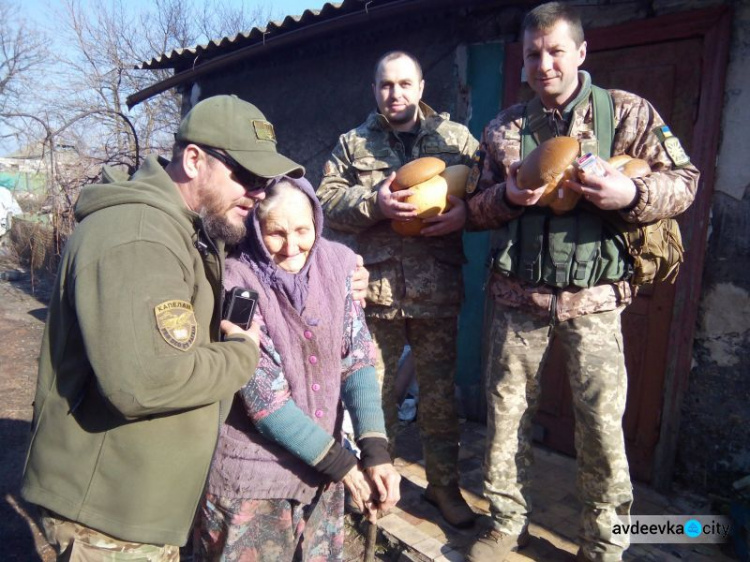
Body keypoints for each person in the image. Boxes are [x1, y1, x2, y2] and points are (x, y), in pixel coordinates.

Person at [20, 95, 305, 560]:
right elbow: (146, 383)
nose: (258, 192)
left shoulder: (188, 227)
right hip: (110, 516)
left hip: (138, 504)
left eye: (265, 180)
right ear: (194, 160)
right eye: (248, 176)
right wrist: (241, 353)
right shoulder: (137, 235)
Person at [464, 4, 700, 562]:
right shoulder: (504, 128)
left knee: (600, 428)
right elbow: (472, 207)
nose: (544, 64)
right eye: (532, 54)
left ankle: (603, 543)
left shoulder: (626, 113)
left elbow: (687, 181)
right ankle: (504, 524)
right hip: (516, 300)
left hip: (594, 303)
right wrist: (506, 198)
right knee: (506, 419)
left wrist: (632, 196)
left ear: (581, 52)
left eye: (555, 51)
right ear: (522, 61)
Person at [193, 176, 401, 561]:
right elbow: (265, 402)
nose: (292, 247)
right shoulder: (236, 281)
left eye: (303, 230)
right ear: (256, 227)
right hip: (252, 478)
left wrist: (375, 451)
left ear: (317, 223)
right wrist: (346, 467)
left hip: (322, 474)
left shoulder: (339, 264)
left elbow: (356, 359)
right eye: (276, 233)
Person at [317, 50, 480, 528]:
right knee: (375, 394)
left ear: (421, 87)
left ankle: (443, 488)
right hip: (376, 291)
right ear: (374, 90)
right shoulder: (354, 144)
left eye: (405, 84)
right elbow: (325, 202)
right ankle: (370, 483)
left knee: (437, 398)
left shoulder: (456, 139)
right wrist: (375, 203)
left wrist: (466, 214)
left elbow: (486, 189)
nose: (396, 94)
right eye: (386, 85)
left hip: (437, 288)